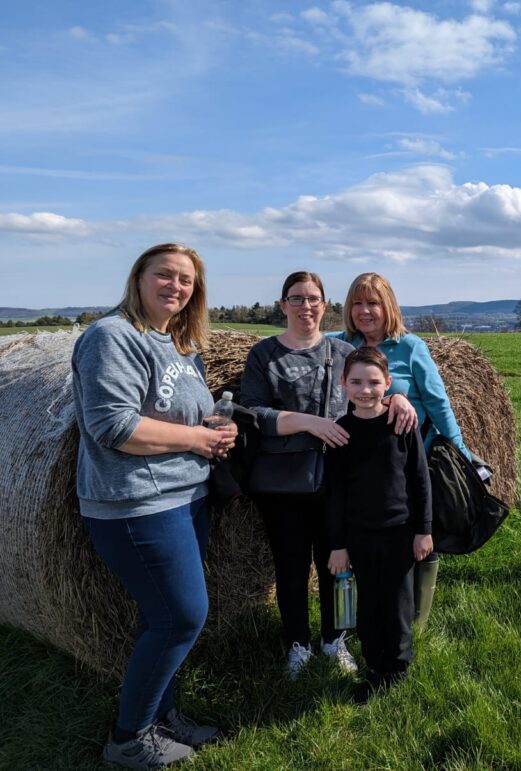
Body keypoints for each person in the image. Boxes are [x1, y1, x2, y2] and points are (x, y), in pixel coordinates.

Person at [72, 243, 236, 769]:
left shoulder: (181, 345)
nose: (176, 286)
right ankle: (129, 739)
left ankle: (161, 716)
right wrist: (192, 439)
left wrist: (218, 429)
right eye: (164, 275)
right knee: (182, 617)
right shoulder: (112, 337)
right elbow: (113, 426)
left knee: (162, 618)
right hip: (137, 504)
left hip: (186, 496)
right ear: (138, 277)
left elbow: (194, 416)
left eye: (186, 280)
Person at [240, 271, 417, 678]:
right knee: (291, 565)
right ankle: (298, 644)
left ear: (324, 305)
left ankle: (334, 639)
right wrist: (310, 423)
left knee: (339, 566)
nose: (306, 306)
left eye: (313, 299)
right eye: (297, 299)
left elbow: (367, 387)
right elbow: (252, 413)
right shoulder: (264, 354)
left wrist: (399, 397)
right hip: (285, 482)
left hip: (342, 479)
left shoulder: (341, 351)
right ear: (283, 305)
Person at [328, 272, 470, 627]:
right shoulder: (340, 345)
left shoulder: (411, 347)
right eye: (357, 303)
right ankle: (367, 618)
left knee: (419, 540)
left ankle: (414, 620)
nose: (364, 311)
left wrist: (462, 456)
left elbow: (439, 405)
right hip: (361, 469)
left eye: (372, 302)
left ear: (388, 306)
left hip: (407, 465)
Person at [326, 346, 433, 702]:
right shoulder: (340, 433)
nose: (365, 389)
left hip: (401, 533)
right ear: (343, 383)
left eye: (373, 382)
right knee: (369, 605)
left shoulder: (401, 425)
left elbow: (420, 480)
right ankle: (374, 669)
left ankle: (398, 668)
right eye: (356, 381)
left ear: (388, 383)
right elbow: (336, 493)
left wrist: (424, 530)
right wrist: (338, 544)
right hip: (359, 535)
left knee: (398, 604)